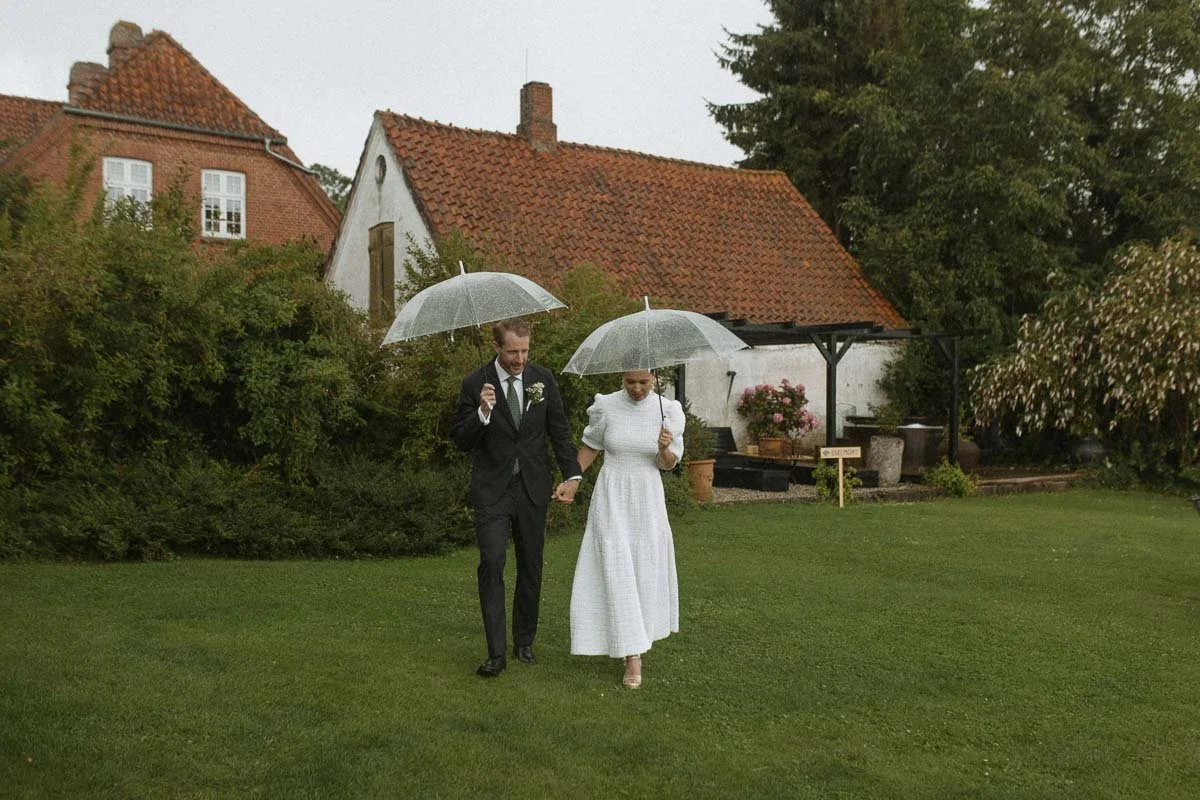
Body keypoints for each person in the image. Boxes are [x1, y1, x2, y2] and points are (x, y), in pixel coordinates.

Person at [451, 318, 581, 678]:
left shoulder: (543, 379)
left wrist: (572, 475)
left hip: (532, 488)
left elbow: (559, 431)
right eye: (512, 352)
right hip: (492, 490)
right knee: (492, 562)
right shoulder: (475, 384)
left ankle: (524, 641)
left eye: (524, 351)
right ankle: (496, 654)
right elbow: (460, 439)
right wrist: (483, 413)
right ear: (496, 347)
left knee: (531, 565)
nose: (520, 359)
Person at [554, 369, 683, 689]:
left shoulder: (669, 411)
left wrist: (664, 447)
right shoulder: (606, 407)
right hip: (611, 497)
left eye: (644, 382)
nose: (637, 389)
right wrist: (572, 479)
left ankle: (634, 649)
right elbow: (590, 448)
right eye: (630, 382)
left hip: (647, 499)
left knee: (642, 568)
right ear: (622, 378)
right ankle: (631, 652)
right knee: (615, 568)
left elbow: (668, 464)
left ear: (654, 378)